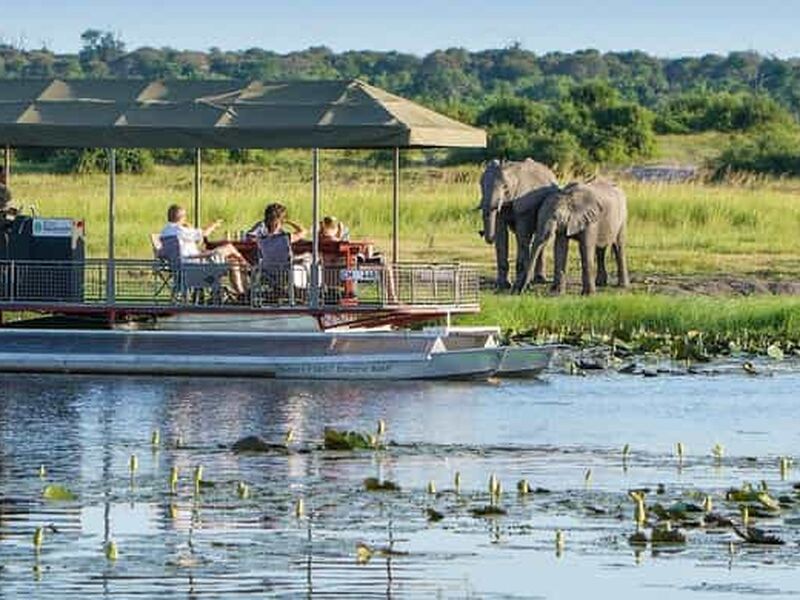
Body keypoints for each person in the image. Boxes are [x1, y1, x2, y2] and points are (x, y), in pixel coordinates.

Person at [159, 204, 247, 295]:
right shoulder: (180, 230)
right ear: (182, 217)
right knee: (229, 250)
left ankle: (241, 289)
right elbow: (204, 233)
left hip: (181, 269)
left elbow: (162, 253)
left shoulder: (165, 232)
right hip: (194, 268)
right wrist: (214, 225)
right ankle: (245, 282)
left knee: (231, 259)